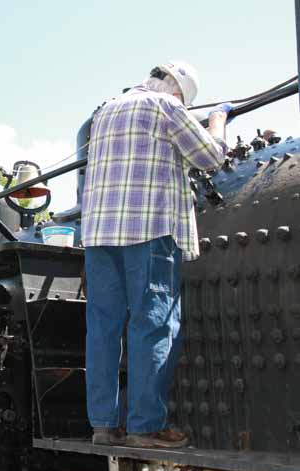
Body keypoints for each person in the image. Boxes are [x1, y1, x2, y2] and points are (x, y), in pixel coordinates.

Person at [81, 61, 231, 448]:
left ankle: (102, 425)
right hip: (146, 229)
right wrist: (217, 119)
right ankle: (145, 427)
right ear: (178, 91)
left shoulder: (106, 110)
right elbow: (211, 156)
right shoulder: (167, 107)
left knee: (102, 329)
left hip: (99, 234)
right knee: (153, 323)